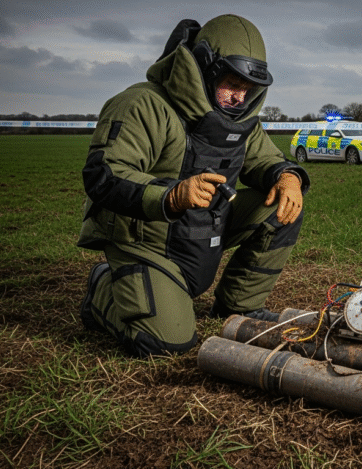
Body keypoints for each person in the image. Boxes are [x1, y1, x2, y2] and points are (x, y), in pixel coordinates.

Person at [77, 15, 310, 358]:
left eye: (247, 89)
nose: (239, 97)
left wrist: (288, 176)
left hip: (204, 226)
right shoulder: (141, 104)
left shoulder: (241, 119)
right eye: (231, 84)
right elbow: (104, 174)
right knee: (166, 343)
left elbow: (265, 159)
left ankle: (240, 306)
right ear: (204, 69)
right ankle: (102, 288)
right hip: (145, 237)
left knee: (283, 204)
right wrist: (171, 195)